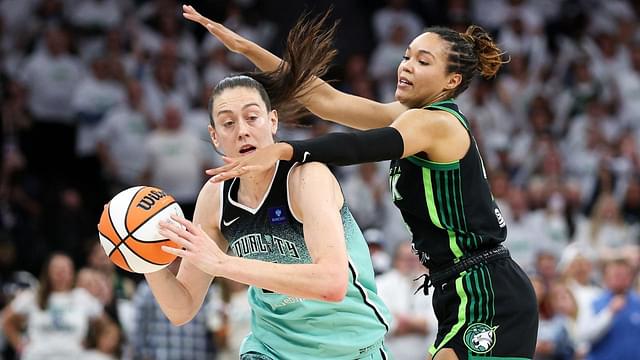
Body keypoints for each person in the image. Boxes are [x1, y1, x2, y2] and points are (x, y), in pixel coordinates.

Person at [183, 4, 538, 359]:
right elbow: (324, 99)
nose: (406, 66)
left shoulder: (438, 124)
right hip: (455, 288)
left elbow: (359, 146)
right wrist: (245, 48)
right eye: (406, 56)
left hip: (488, 287)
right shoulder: (407, 117)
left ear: (452, 81)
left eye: (423, 61)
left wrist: (283, 150)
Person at [144, 12, 392, 359]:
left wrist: (224, 264)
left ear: (273, 121)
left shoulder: (307, 177)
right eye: (228, 123)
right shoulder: (215, 197)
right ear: (214, 137)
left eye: (251, 117)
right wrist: (144, 258)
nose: (242, 130)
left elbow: (333, 283)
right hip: (271, 350)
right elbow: (182, 308)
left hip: (350, 346)